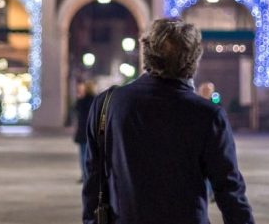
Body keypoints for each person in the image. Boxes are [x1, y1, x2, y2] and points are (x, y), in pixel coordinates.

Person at [81, 18, 254, 224]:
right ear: (193, 59)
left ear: (146, 53)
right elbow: (229, 190)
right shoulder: (208, 115)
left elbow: (93, 178)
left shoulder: (107, 104)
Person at [73, 80, 96, 183]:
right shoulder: (96, 100)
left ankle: (85, 174)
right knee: (92, 154)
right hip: (93, 130)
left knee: (83, 154)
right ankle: (91, 174)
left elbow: (75, 110)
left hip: (83, 131)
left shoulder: (82, 101)